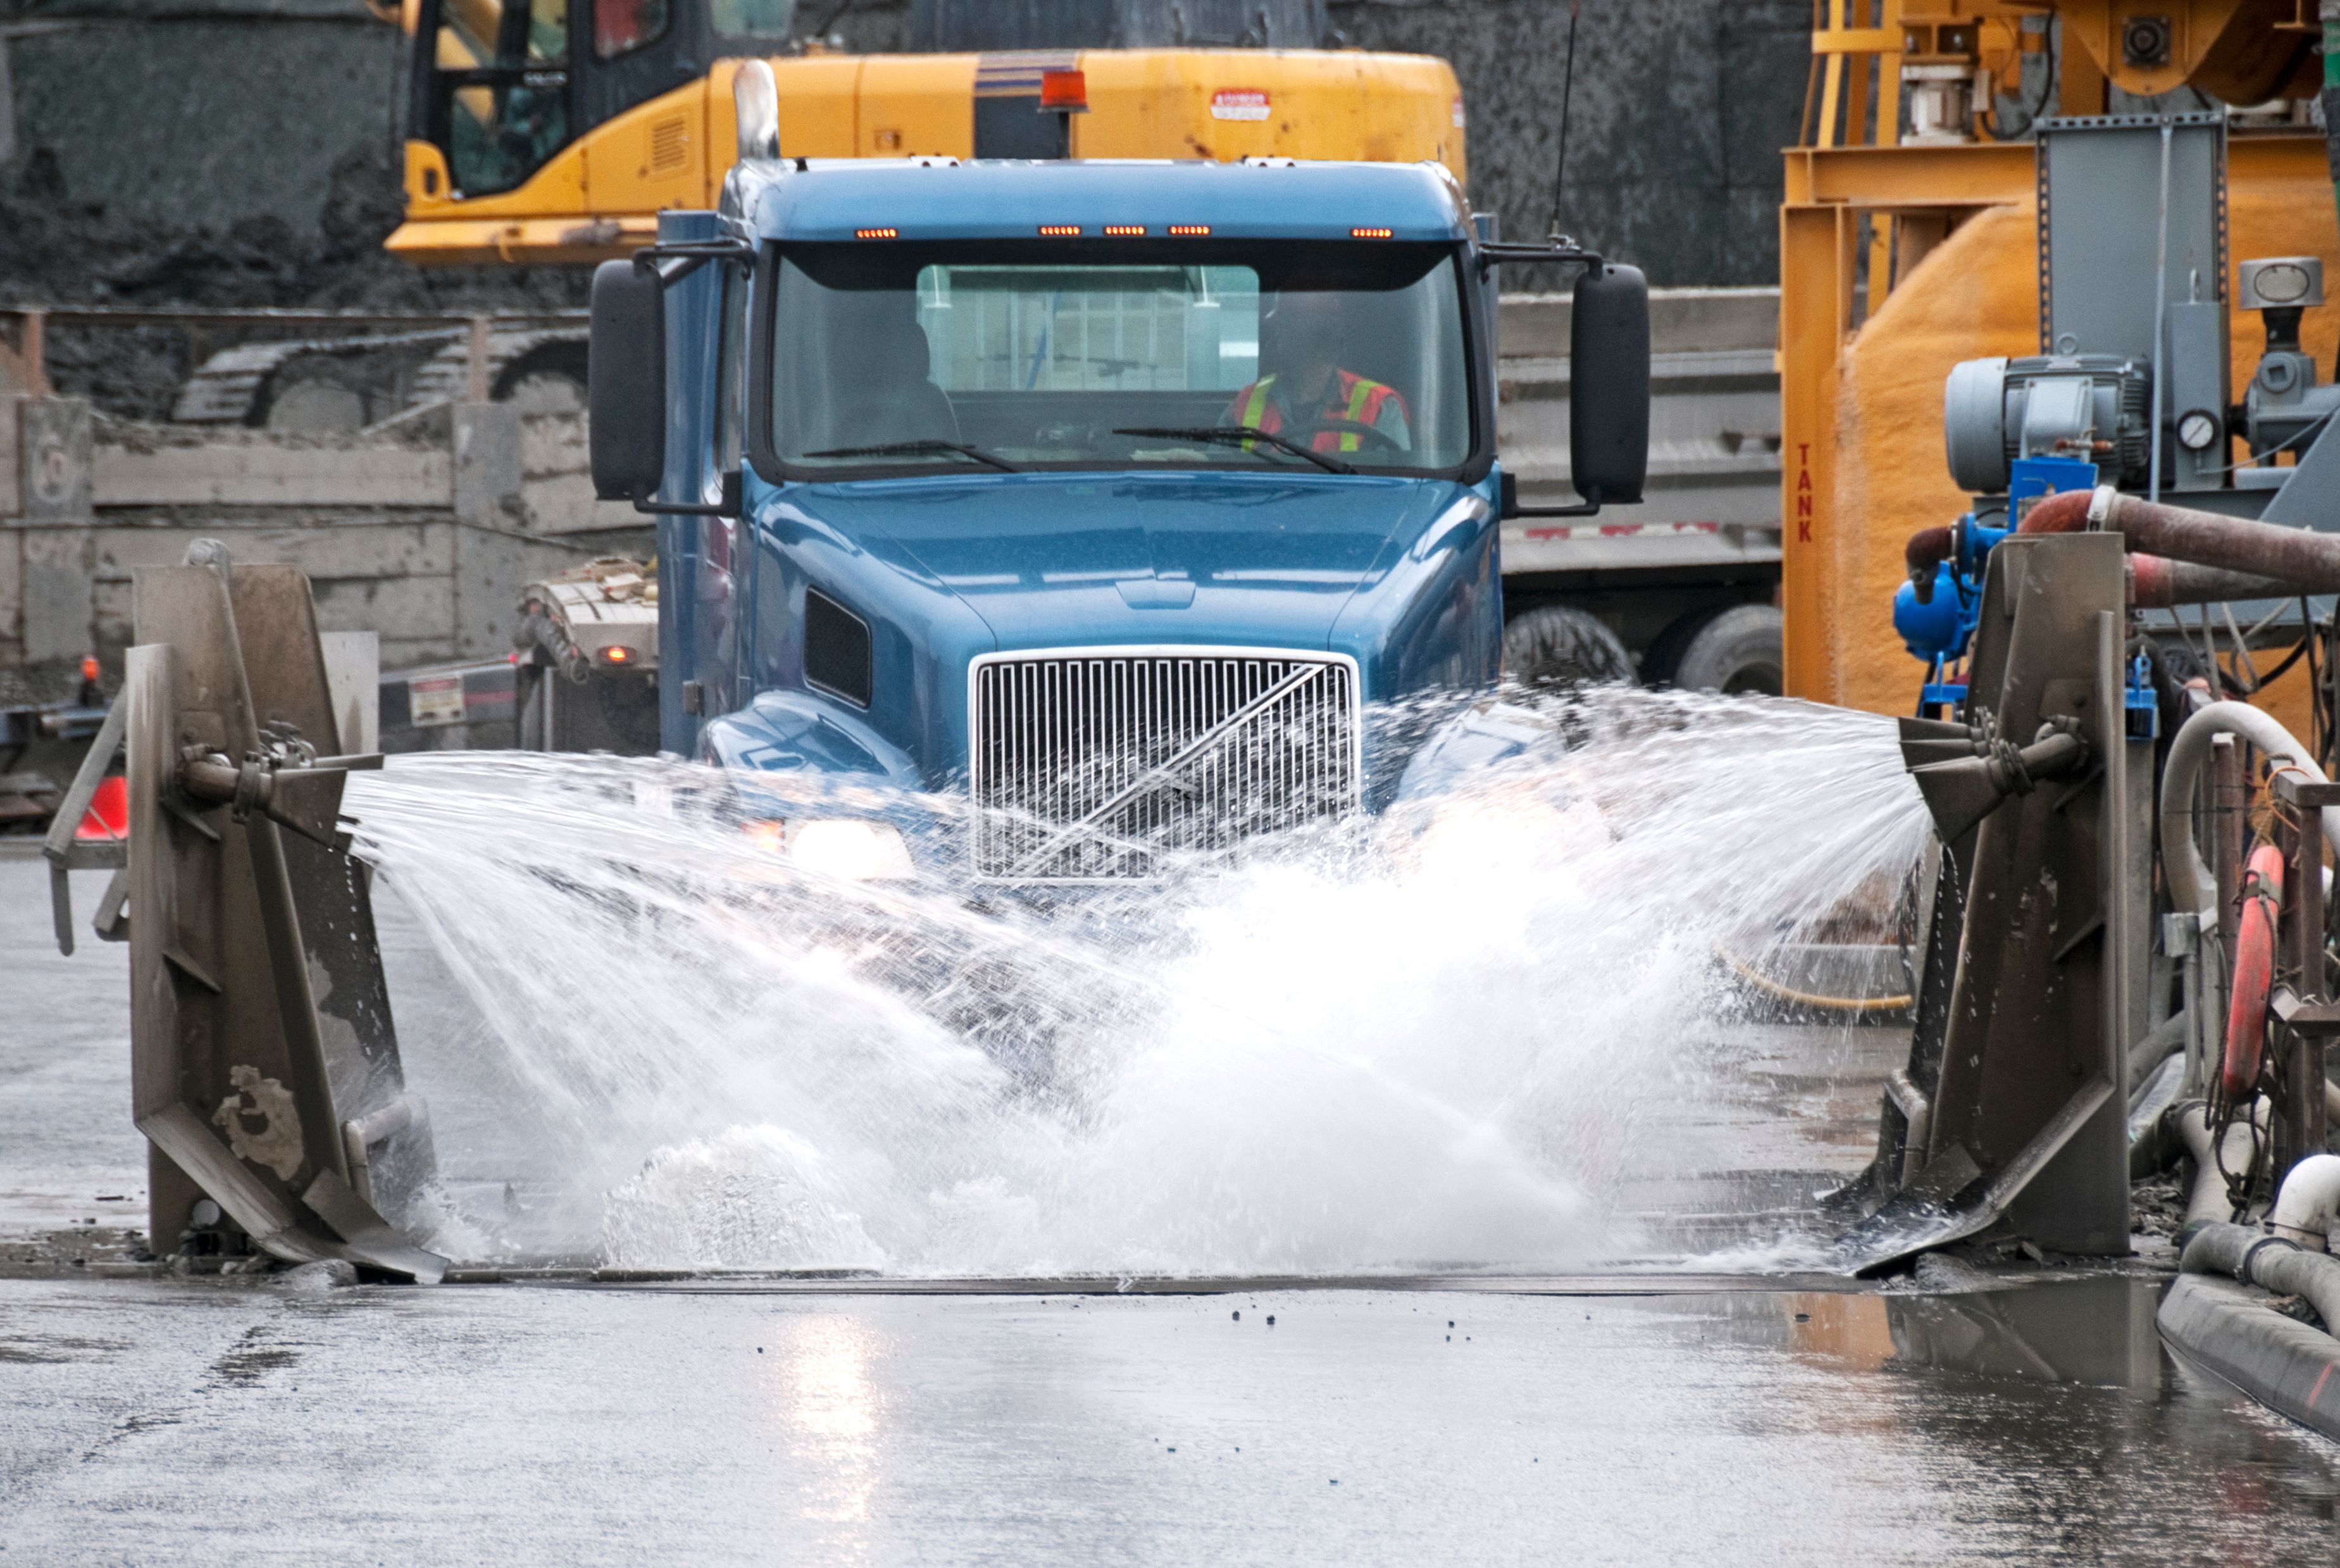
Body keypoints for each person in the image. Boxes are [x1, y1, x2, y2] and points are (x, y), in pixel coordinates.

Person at [1223, 292, 1410, 454]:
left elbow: (1396, 489)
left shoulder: (1379, 407)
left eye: (1290, 324)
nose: (1279, 335)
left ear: (1326, 335)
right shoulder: (1247, 402)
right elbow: (1217, 470)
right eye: (1280, 325)